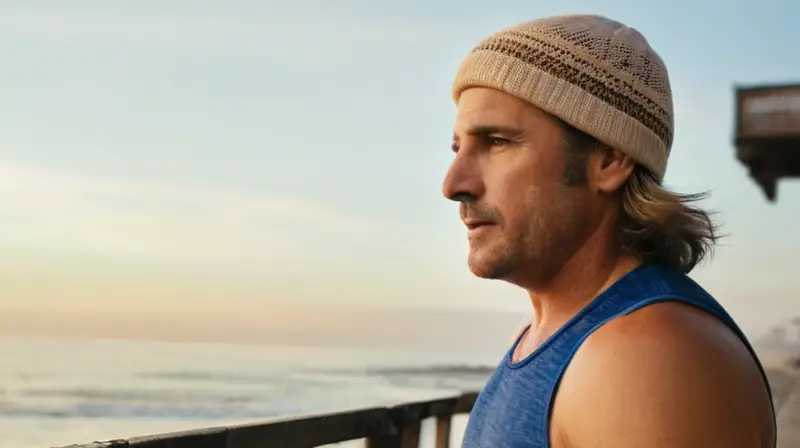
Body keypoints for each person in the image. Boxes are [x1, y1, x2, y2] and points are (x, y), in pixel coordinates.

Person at [442, 13, 776, 447]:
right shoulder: (548, 339)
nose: (454, 184)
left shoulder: (644, 357)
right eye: (457, 147)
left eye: (498, 142)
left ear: (609, 160)